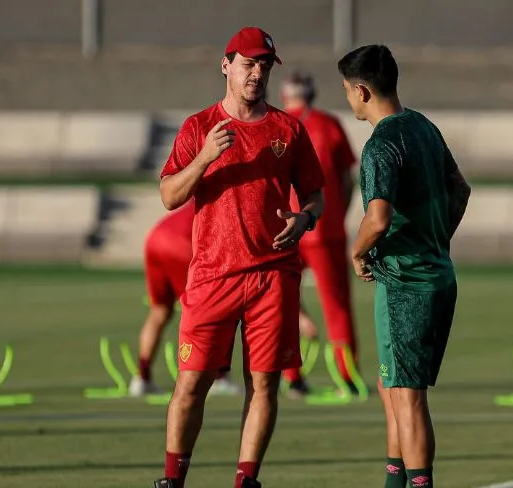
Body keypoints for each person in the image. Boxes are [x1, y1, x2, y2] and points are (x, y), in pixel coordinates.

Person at [154, 26, 325, 488]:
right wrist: (205, 157)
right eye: (248, 64)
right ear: (226, 65)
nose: (257, 74)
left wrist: (305, 219)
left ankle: (246, 480)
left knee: (265, 384)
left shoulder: (287, 129)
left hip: (273, 276)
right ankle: (173, 480)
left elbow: (315, 194)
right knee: (191, 384)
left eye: (264, 66)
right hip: (213, 276)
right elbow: (169, 195)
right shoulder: (197, 127)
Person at [337, 45, 471, 488]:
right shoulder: (424, 127)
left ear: (361, 91)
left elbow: (378, 219)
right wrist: (436, 237)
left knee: (408, 398)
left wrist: (357, 253)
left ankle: (418, 483)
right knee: (391, 387)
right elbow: (460, 188)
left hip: (405, 284)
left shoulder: (381, 143)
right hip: (438, 276)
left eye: (347, 92)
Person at [279, 70, 359, 397]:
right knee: (337, 305)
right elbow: (347, 179)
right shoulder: (329, 125)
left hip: (286, 227)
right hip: (326, 228)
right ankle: (347, 375)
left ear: (285, 96)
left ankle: (291, 375)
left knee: (282, 302)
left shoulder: (276, 125)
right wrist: (337, 210)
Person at [132, 199, 242, 397]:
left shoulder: (201, 196)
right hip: (180, 242)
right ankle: (219, 378)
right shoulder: (227, 204)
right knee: (213, 309)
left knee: (159, 310)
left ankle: (142, 378)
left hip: (156, 238)